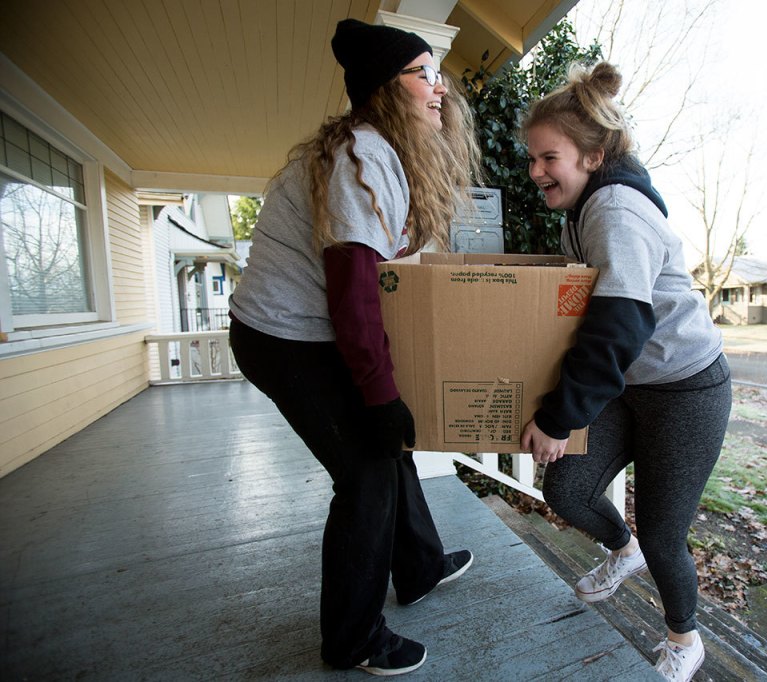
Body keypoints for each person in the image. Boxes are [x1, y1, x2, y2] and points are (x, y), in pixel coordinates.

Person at [228, 19, 480, 677]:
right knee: (366, 475)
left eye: (437, 74)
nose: (439, 89)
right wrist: (380, 391)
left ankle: (419, 564)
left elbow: (387, 275)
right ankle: (353, 639)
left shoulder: (385, 155)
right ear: (384, 89)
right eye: (423, 74)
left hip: (311, 332)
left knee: (384, 447)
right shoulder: (360, 158)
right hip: (282, 338)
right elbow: (355, 294)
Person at [519, 61, 732, 682]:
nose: (536, 172)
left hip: (687, 387)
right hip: (630, 384)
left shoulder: (614, 210)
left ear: (594, 153)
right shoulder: (582, 209)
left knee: (666, 533)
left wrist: (561, 415)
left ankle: (684, 640)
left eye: (548, 157)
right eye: (532, 158)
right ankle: (622, 551)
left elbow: (618, 325)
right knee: (567, 487)